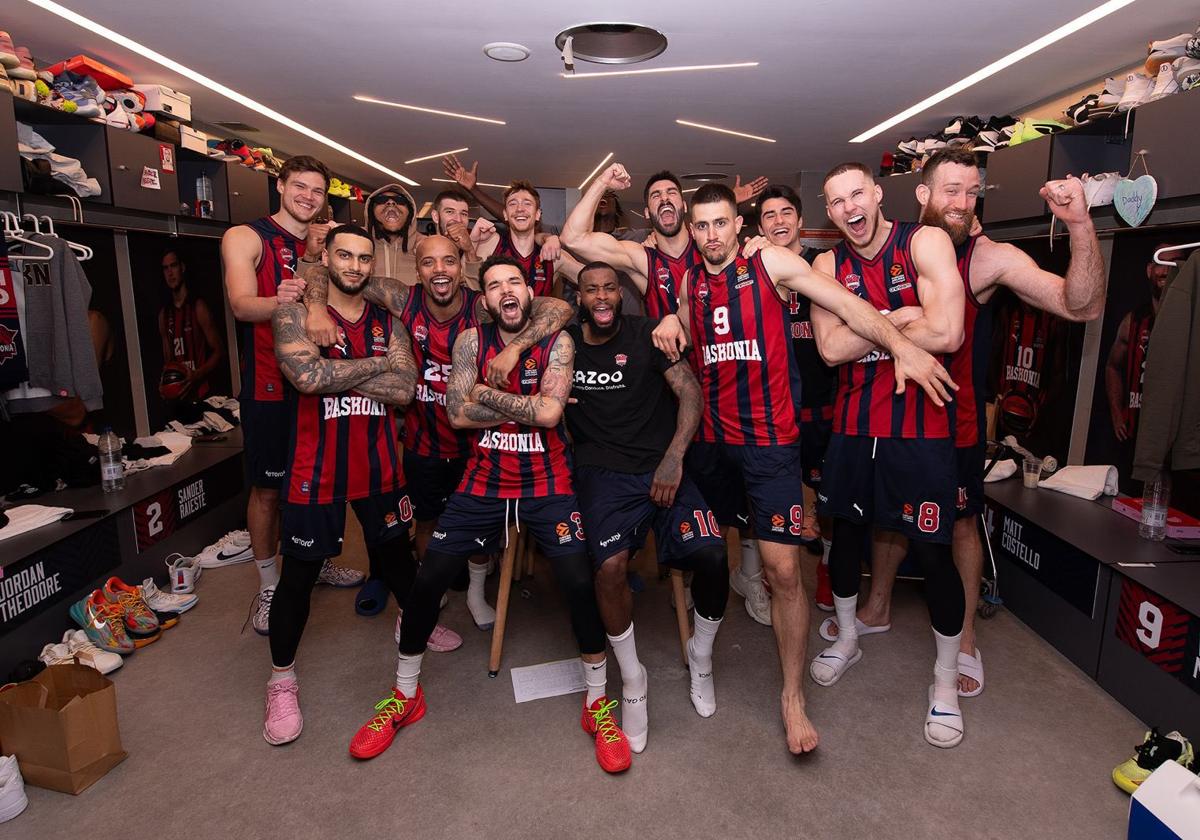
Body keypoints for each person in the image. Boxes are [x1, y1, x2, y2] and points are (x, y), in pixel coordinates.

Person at [651, 182, 955, 754]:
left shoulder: (770, 261)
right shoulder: (690, 281)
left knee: (784, 573)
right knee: (707, 559)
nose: (712, 235)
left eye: (722, 223)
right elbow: (697, 337)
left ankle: (792, 698)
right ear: (690, 231)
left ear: (738, 226)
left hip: (770, 448)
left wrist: (903, 347)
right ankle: (701, 652)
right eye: (702, 226)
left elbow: (848, 306)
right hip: (712, 447)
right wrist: (671, 320)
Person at [818, 149, 1105, 700]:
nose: (962, 202)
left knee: (955, 530)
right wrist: (901, 323)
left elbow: (1079, 305)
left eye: (972, 192)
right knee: (867, 523)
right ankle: (873, 610)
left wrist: (1078, 224)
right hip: (871, 423)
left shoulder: (985, 255)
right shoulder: (864, 255)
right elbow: (831, 348)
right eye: (950, 190)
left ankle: (963, 641)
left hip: (952, 420)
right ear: (922, 194)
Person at [349, 255, 628, 773]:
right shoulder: (471, 343)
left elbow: (550, 413)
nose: (506, 291)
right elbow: (457, 413)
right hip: (483, 481)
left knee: (576, 579)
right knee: (429, 577)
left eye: (514, 282)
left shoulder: (556, 342)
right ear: (485, 299)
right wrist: (501, 398)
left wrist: (483, 391)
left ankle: (596, 704)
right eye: (495, 284)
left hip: (548, 482)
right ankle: (405, 694)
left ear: (529, 292)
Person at [302, 236, 573, 627]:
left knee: (481, 534)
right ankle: (435, 592)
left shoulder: (483, 304)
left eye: (449, 261)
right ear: (418, 268)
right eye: (429, 263)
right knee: (426, 522)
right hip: (422, 438)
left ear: (462, 267)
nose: (440, 270)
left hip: (475, 438)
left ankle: (477, 596)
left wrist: (515, 349)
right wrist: (314, 307)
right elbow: (316, 269)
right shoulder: (401, 298)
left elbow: (557, 307)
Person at [806, 161, 968, 748]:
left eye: (858, 194)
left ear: (877, 195)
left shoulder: (922, 241)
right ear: (828, 212)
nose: (850, 207)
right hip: (852, 427)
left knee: (933, 551)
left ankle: (945, 682)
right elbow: (828, 349)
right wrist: (899, 320)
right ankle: (847, 637)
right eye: (837, 200)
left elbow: (949, 332)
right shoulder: (827, 264)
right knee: (844, 539)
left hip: (920, 429)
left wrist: (868, 328)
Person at [262, 224, 418, 747]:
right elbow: (305, 379)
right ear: (325, 257)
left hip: (377, 465)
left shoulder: (386, 319)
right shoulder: (294, 312)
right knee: (299, 577)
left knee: (397, 558)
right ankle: (281, 680)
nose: (354, 265)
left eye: (363, 258)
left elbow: (405, 387)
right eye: (344, 255)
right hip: (316, 469)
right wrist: (377, 366)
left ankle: (412, 628)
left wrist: (341, 365)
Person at [564, 260, 727, 755]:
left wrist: (674, 458)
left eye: (609, 288)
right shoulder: (565, 345)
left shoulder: (647, 335)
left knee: (715, 556)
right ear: (579, 299)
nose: (601, 297)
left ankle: (700, 656)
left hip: (663, 467)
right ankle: (633, 680)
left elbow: (690, 393)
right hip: (604, 477)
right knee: (609, 569)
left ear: (621, 295)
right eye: (590, 289)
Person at [221, 155, 362, 635]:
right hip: (269, 384)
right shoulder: (246, 236)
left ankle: (315, 559)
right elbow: (241, 305)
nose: (308, 196)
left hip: (322, 381)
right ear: (279, 185)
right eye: (299, 186)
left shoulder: (326, 244)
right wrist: (287, 301)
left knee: (322, 479)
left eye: (317, 190)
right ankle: (267, 585)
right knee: (268, 487)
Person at [755, 185, 837, 613]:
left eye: (787, 212)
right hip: (771, 411)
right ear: (760, 225)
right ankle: (770, 577)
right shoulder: (752, 271)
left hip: (821, 404)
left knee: (827, 500)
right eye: (769, 215)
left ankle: (826, 566)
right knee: (774, 502)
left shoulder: (820, 268)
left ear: (799, 220)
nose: (779, 221)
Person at [560, 164, 765, 321]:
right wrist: (602, 183)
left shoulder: (712, 246)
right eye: (656, 195)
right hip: (671, 371)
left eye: (672, 192)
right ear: (647, 213)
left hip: (723, 368)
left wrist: (763, 244)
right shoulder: (643, 258)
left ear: (684, 206)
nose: (665, 198)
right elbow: (573, 238)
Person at [473, 179, 582, 297]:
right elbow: (467, 284)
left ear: (537, 214)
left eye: (527, 203)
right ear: (505, 214)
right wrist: (472, 243)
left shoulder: (553, 255)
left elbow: (595, 277)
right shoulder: (491, 243)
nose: (520, 209)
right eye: (513, 204)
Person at [1107, 247, 1171, 446]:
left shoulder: (1190, 322)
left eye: (1174, 264)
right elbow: (1112, 367)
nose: (1167, 271)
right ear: (1149, 270)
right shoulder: (1133, 322)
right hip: (1134, 435)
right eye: (1161, 262)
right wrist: (1117, 414)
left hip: (1170, 440)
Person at [157, 249, 223, 401]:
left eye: (173, 266)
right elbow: (168, 361)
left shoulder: (197, 307)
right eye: (165, 268)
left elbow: (219, 351)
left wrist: (196, 375)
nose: (170, 273)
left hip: (202, 392)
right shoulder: (164, 315)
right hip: (179, 395)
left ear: (182, 268)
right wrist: (164, 382)